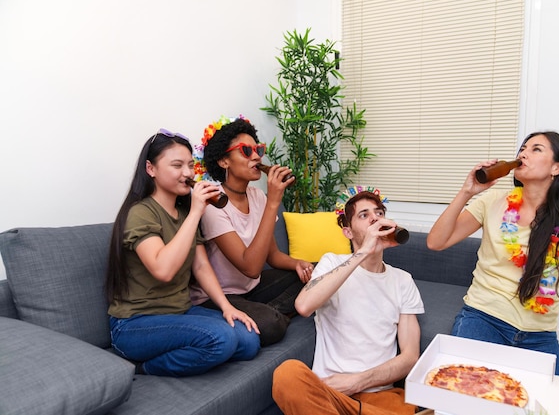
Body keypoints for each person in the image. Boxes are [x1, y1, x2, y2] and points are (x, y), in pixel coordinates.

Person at [426, 131, 559, 376]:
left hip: (539, 333)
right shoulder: (492, 201)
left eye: (536, 149)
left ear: (558, 167)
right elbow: (436, 242)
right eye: (522, 148)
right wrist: (467, 192)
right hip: (484, 318)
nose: (523, 153)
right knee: (465, 392)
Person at [106, 128, 260, 377]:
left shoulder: (184, 212)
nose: (188, 173)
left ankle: (184, 350)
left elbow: (200, 267)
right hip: (135, 324)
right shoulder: (141, 213)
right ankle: (144, 368)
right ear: (151, 169)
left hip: (179, 312)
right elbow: (163, 270)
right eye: (177, 165)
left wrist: (226, 306)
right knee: (221, 339)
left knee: (250, 340)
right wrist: (197, 211)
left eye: (190, 165)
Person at [272, 187, 424, 415]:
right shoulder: (332, 263)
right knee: (287, 375)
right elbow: (303, 306)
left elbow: (410, 357)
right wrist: (363, 252)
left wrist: (357, 381)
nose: (375, 218)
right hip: (330, 395)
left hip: (380, 399)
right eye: (364, 215)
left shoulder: (402, 280)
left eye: (379, 213)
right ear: (348, 232)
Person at [189, 115, 314, 346]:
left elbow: (273, 256)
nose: (256, 156)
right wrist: (274, 202)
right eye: (246, 151)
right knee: (271, 325)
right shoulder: (214, 202)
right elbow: (251, 267)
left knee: (316, 276)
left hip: (251, 290)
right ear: (224, 161)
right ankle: (270, 316)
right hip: (218, 297)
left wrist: (298, 263)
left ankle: (265, 312)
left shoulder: (256, 196)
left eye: (258, 149)